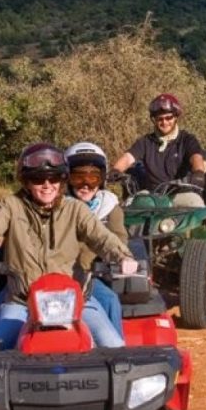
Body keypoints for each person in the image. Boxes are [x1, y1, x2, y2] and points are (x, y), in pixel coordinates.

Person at [0, 142, 137, 350]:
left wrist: (123, 257)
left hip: (77, 301)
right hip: (22, 301)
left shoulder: (75, 209)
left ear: (62, 180)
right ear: (26, 181)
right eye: (38, 178)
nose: (47, 185)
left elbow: (101, 237)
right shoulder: (11, 206)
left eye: (53, 178)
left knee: (115, 346)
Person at [65, 141, 127, 335]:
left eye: (93, 178)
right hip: (54, 274)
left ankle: (117, 356)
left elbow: (119, 240)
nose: (85, 185)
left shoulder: (110, 207)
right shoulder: (57, 206)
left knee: (109, 300)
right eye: (78, 178)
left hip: (91, 275)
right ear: (67, 179)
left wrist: (103, 257)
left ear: (102, 180)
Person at [111, 93, 206, 207]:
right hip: (151, 195)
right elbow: (128, 158)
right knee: (129, 207)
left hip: (179, 193)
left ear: (176, 117)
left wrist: (199, 173)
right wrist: (115, 170)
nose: (164, 122)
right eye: (159, 119)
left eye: (168, 118)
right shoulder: (146, 142)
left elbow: (196, 158)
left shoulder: (187, 140)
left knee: (196, 204)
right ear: (154, 120)